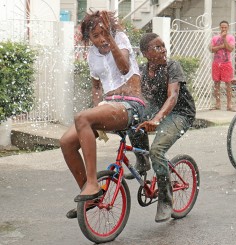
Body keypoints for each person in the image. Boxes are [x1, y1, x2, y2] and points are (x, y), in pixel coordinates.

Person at [60, 10, 146, 219]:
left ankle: (92, 183)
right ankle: (91, 195)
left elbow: (125, 68)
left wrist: (111, 37)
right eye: (95, 36)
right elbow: (96, 88)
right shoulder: (92, 55)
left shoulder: (120, 39)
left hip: (131, 106)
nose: (101, 40)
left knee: (82, 117)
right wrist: (97, 108)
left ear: (110, 30)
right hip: (109, 107)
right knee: (66, 142)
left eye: (103, 33)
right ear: (89, 38)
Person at [126, 33, 196, 223]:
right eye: (157, 47)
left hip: (180, 113)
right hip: (158, 111)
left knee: (157, 150)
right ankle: (142, 160)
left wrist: (156, 119)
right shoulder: (140, 71)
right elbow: (133, 97)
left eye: (163, 46)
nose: (163, 50)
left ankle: (166, 199)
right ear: (146, 53)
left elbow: (172, 97)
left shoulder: (172, 66)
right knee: (132, 119)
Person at [209, 20, 236, 111]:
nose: (223, 29)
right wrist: (221, 46)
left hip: (226, 63)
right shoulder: (215, 38)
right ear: (219, 27)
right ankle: (218, 104)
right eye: (222, 27)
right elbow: (211, 49)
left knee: (228, 84)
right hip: (216, 63)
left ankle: (229, 105)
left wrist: (224, 39)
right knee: (216, 83)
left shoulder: (231, 37)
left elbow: (230, 49)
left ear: (228, 28)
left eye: (225, 27)